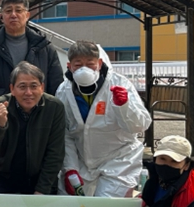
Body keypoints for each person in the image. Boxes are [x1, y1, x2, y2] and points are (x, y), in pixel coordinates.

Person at [55, 40, 151, 198]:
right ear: (69, 66)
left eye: (90, 64)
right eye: (78, 65)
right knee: (72, 205)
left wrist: (124, 106)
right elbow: (65, 134)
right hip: (83, 161)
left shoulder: (119, 84)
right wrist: (70, 168)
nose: (84, 69)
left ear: (99, 64)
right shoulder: (63, 91)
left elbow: (140, 125)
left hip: (119, 160)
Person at [0, 62, 65, 194]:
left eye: (34, 86)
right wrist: (0, 124)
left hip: (38, 178)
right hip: (2, 176)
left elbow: (55, 153)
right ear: (12, 89)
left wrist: (41, 190)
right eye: (22, 87)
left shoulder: (54, 107)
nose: (28, 92)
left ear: (42, 87)